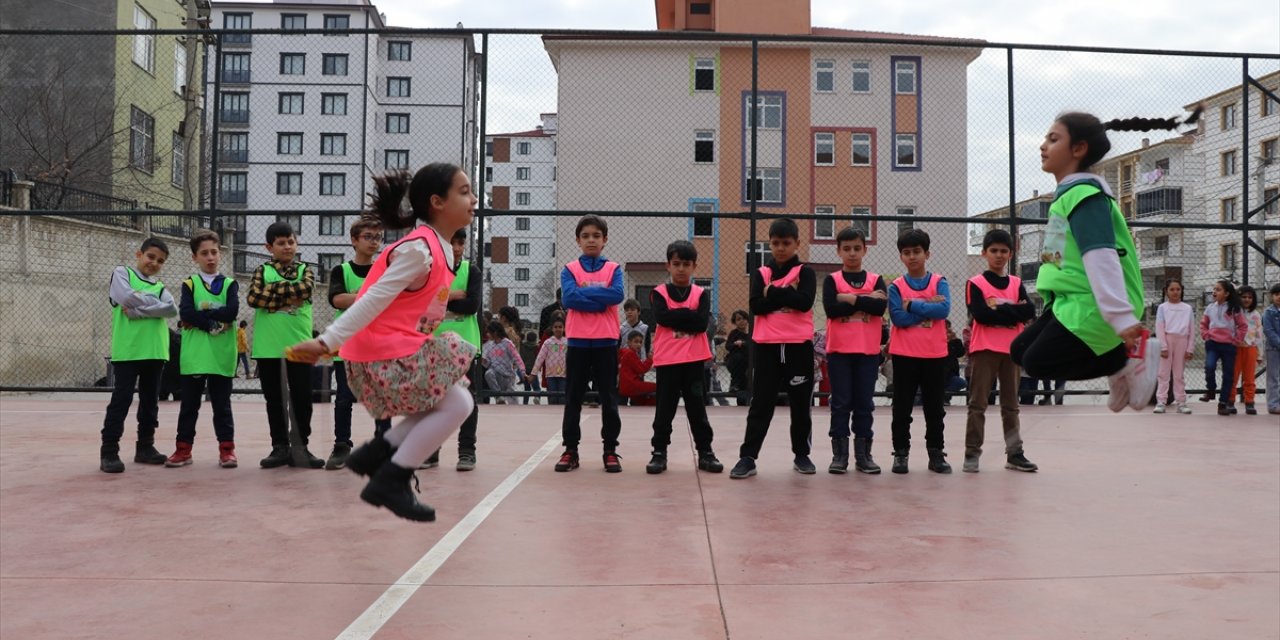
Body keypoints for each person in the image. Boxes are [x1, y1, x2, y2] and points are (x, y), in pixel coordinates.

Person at [290, 164, 478, 522]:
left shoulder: (436, 250)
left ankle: (378, 453)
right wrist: (327, 341)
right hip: (379, 351)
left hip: (393, 346)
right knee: (458, 403)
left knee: (440, 406)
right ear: (437, 202)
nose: (473, 199)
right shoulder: (418, 251)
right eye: (465, 191)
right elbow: (373, 298)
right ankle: (391, 477)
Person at [1010, 108, 1202, 411]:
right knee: (1020, 351)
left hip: (1096, 303)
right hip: (1069, 300)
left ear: (1078, 148)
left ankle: (1124, 363)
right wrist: (1048, 303)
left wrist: (1120, 315)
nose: (1043, 145)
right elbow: (1055, 259)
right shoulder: (1065, 198)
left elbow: (1101, 256)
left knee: (1039, 360)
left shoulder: (1086, 197)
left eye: (1053, 138)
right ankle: (1121, 365)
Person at [730, 218, 817, 479]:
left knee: (800, 403)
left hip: (798, 347)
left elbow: (804, 302)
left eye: (786, 243)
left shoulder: (805, 272)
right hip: (766, 347)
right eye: (775, 243)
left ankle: (802, 455)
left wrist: (772, 293)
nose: (780, 248)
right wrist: (783, 293)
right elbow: (756, 306)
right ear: (769, 244)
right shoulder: (761, 273)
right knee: (761, 403)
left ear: (797, 244)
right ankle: (748, 457)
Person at [99, 237, 178, 473]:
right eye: (151, 257)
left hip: (155, 351)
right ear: (139, 254)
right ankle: (109, 451)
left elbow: (172, 308)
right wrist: (154, 305)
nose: (154, 263)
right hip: (129, 351)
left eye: (160, 261)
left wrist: (138, 312)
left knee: (150, 401)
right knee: (121, 400)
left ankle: (145, 447)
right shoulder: (122, 274)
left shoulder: (160, 286)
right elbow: (125, 297)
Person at [247, 221, 322, 469]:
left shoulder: (306, 270)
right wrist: (287, 296)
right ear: (269, 247)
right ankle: (279, 448)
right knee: (275, 400)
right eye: (281, 243)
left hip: (300, 347)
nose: (287, 246)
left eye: (291, 241)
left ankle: (300, 448)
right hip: (269, 349)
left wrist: (272, 298)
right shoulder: (261, 271)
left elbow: (305, 289)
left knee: (302, 398)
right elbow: (253, 298)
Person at [644, 240, 722, 473]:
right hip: (668, 361)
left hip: (694, 361)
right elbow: (662, 318)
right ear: (668, 266)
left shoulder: (700, 293)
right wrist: (687, 313)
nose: (681, 268)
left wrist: (677, 314)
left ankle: (706, 452)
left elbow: (700, 324)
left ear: (694, 266)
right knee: (664, 409)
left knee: (697, 407)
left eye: (686, 264)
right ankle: (659, 452)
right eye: (676, 263)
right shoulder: (658, 293)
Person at [963, 229, 1037, 473]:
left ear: (1010, 253)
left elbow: (1029, 312)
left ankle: (1015, 454)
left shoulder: (1016, 283)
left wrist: (1001, 313)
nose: (998, 255)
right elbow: (981, 315)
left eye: (1003, 251)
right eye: (993, 251)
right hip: (984, 350)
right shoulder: (976, 283)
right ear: (984, 253)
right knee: (978, 404)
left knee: (1011, 405)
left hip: (1011, 351)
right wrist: (1013, 311)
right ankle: (972, 454)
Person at [555, 214, 625, 473]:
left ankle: (610, 450)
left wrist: (584, 293)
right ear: (578, 240)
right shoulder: (570, 269)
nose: (591, 240)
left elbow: (617, 294)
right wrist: (600, 301)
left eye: (596, 235)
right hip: (579, 342)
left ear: (604, 240)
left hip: (606, 341)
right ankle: (570, 450)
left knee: (609, 397)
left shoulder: (614, 268)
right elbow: (569, 299)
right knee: (573, 397)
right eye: (586, 236)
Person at [165, 230, 240, 469]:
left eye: (214, 252)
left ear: (220, 254)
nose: (210, 257)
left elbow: (232, 312)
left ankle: (227, 451)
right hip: (195, 356)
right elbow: (185, 312)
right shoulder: (190, 284)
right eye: (204, 253)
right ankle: (183, 450)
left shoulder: (230, 284)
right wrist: (211, 323)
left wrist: (201, 317)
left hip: (221, 355)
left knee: (222, 405)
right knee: (189, 406)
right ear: (194, 257)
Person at [326, 218, 394, 470]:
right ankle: (342, 446)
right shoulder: (341, 271)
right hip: (347, 347)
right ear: (354, 240)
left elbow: (391, 300)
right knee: (344, 399)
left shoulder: (386, 270)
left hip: (378, 347)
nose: (374, 242)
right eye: (368, 236)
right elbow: (337, 300)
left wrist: (359, 298)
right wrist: (371, 297)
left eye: (378, 237)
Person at [886, 229, 953, 475]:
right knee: (902, 407)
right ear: (901, 257)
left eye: (917, 252)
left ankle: (936, 453)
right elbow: (898, 318)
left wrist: (913, 304)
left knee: (934, 408)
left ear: (927, 253)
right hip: (904, 355)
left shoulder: (939, 281)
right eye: (907, 253)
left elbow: (944, 310)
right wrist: (928, 307)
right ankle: (900, 453)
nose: (912, 257)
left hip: (934, 355)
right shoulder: (896, 286)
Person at [822, 226, 886, 474]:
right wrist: (865, 300)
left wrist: (849, 298)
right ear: (838, 251)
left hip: (868, 352)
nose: (852, 253)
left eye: (856, 248)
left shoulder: (875, 278)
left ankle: (863, 455)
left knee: (864, 403)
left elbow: (880, 308)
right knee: (840, 402)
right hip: (839, 351)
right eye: (846, 249)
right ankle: (839, 456)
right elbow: (831, 309)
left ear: (864, 250)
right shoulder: (832, 280)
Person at [430, 227, 483, 470]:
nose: (457, 248)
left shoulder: (471, 271)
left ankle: (467, 451)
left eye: (461, 243)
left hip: (465, 346)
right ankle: (431, 452)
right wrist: (454, 295)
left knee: (467, 400)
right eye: (452, 242)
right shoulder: (430, 272)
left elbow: (472, 305)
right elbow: (423, 303)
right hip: (435, 345)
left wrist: (442, 298)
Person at [1199, 279, 1247, 416]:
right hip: (1212, 344)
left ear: (1226, 293)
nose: (1214, 292)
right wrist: (1206, 335)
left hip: (1229, 346)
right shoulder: (1209, 308)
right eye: (1214, 289)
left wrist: (1236, 340)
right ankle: (1211, 390)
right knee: (1209, 366)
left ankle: (1223, 403)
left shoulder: (1234, 309)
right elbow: (1203, 324)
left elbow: (1243, 326)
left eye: (1218, 289)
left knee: (1228, 375)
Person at [1153, 279, 1195, 415]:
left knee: (1179, 374)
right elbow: (1159, 327)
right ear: (1166, 291)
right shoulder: (1162, 308)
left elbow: (1191, 329)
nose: (1175, 292)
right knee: (1163, 373)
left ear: (1182, 290)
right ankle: (1161, 401)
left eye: (1178, 289)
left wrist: (1190, 348)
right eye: (1172, 289)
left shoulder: (1187, 308)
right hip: (1167, 339)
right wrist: (1163, 346)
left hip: (1182, 341)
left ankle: (1181, 402)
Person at [1227, 285, 1263, 415]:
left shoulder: (1256, 315)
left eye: (1250, 297)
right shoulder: (1233, 312)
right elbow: (1229, 330)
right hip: (1236, 348)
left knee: (1249, 377)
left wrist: (1260, 354)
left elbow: (1259, 334)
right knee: (1233, 376)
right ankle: (1230, 401)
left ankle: (1249, 402)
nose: (1247, 299)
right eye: (1244, 297)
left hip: (1250, 348)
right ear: (1238, 298)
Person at [482, 321, 524, 404]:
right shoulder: (490, 345)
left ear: (496, 333)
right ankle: (498, 396)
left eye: (489, 333)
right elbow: (488, 363)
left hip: (507, 376)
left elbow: (517, 357)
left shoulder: (507, 343)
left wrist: (522, 370)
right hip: (496, 374)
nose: (487, 335)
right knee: (488, 373)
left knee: (513, 401)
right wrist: (483, 361)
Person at [529, 313, 568, 404]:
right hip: (551, 375)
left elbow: (573, 358)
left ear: (564, 328)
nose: (558, 329)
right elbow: (540, 358)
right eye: (555, 327)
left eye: (560, 327)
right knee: (552, 398)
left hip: (564, 375)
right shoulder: (548, 342)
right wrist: (533, 374)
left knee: (563, 398)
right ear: (552, 328)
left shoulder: (567, 342)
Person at [618, 330, 656, 406]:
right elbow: (641, 369)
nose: (639, 344)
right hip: (632, 385)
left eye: (640, 342)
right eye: (636, 342)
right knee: (656, 386)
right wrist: (650, 359)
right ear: (629, 343)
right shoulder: (630, 354)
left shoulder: (624, 352)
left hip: (624, 385)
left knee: (641, 396)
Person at [724, 310, 751, 406]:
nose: (742, 321)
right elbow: (728, 346)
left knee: (744, 382)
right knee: (738, 358)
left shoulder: (751, 332)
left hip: (748, 362)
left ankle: (742, 399)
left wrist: (743, 343)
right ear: (735, 322)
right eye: (738, 319)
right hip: (735, 362)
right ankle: (734, 384)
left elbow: (754, 345)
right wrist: (735, 344)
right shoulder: (734, 333)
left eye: (744, 318)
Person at [1262, 283, 1280, 415]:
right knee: (1273, 377)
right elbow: (1269, 331)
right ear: (1272, 296)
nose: (1279, 297)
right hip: (1273, 349)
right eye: (1276, 294)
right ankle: (1273, 404)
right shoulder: (1268, 312)